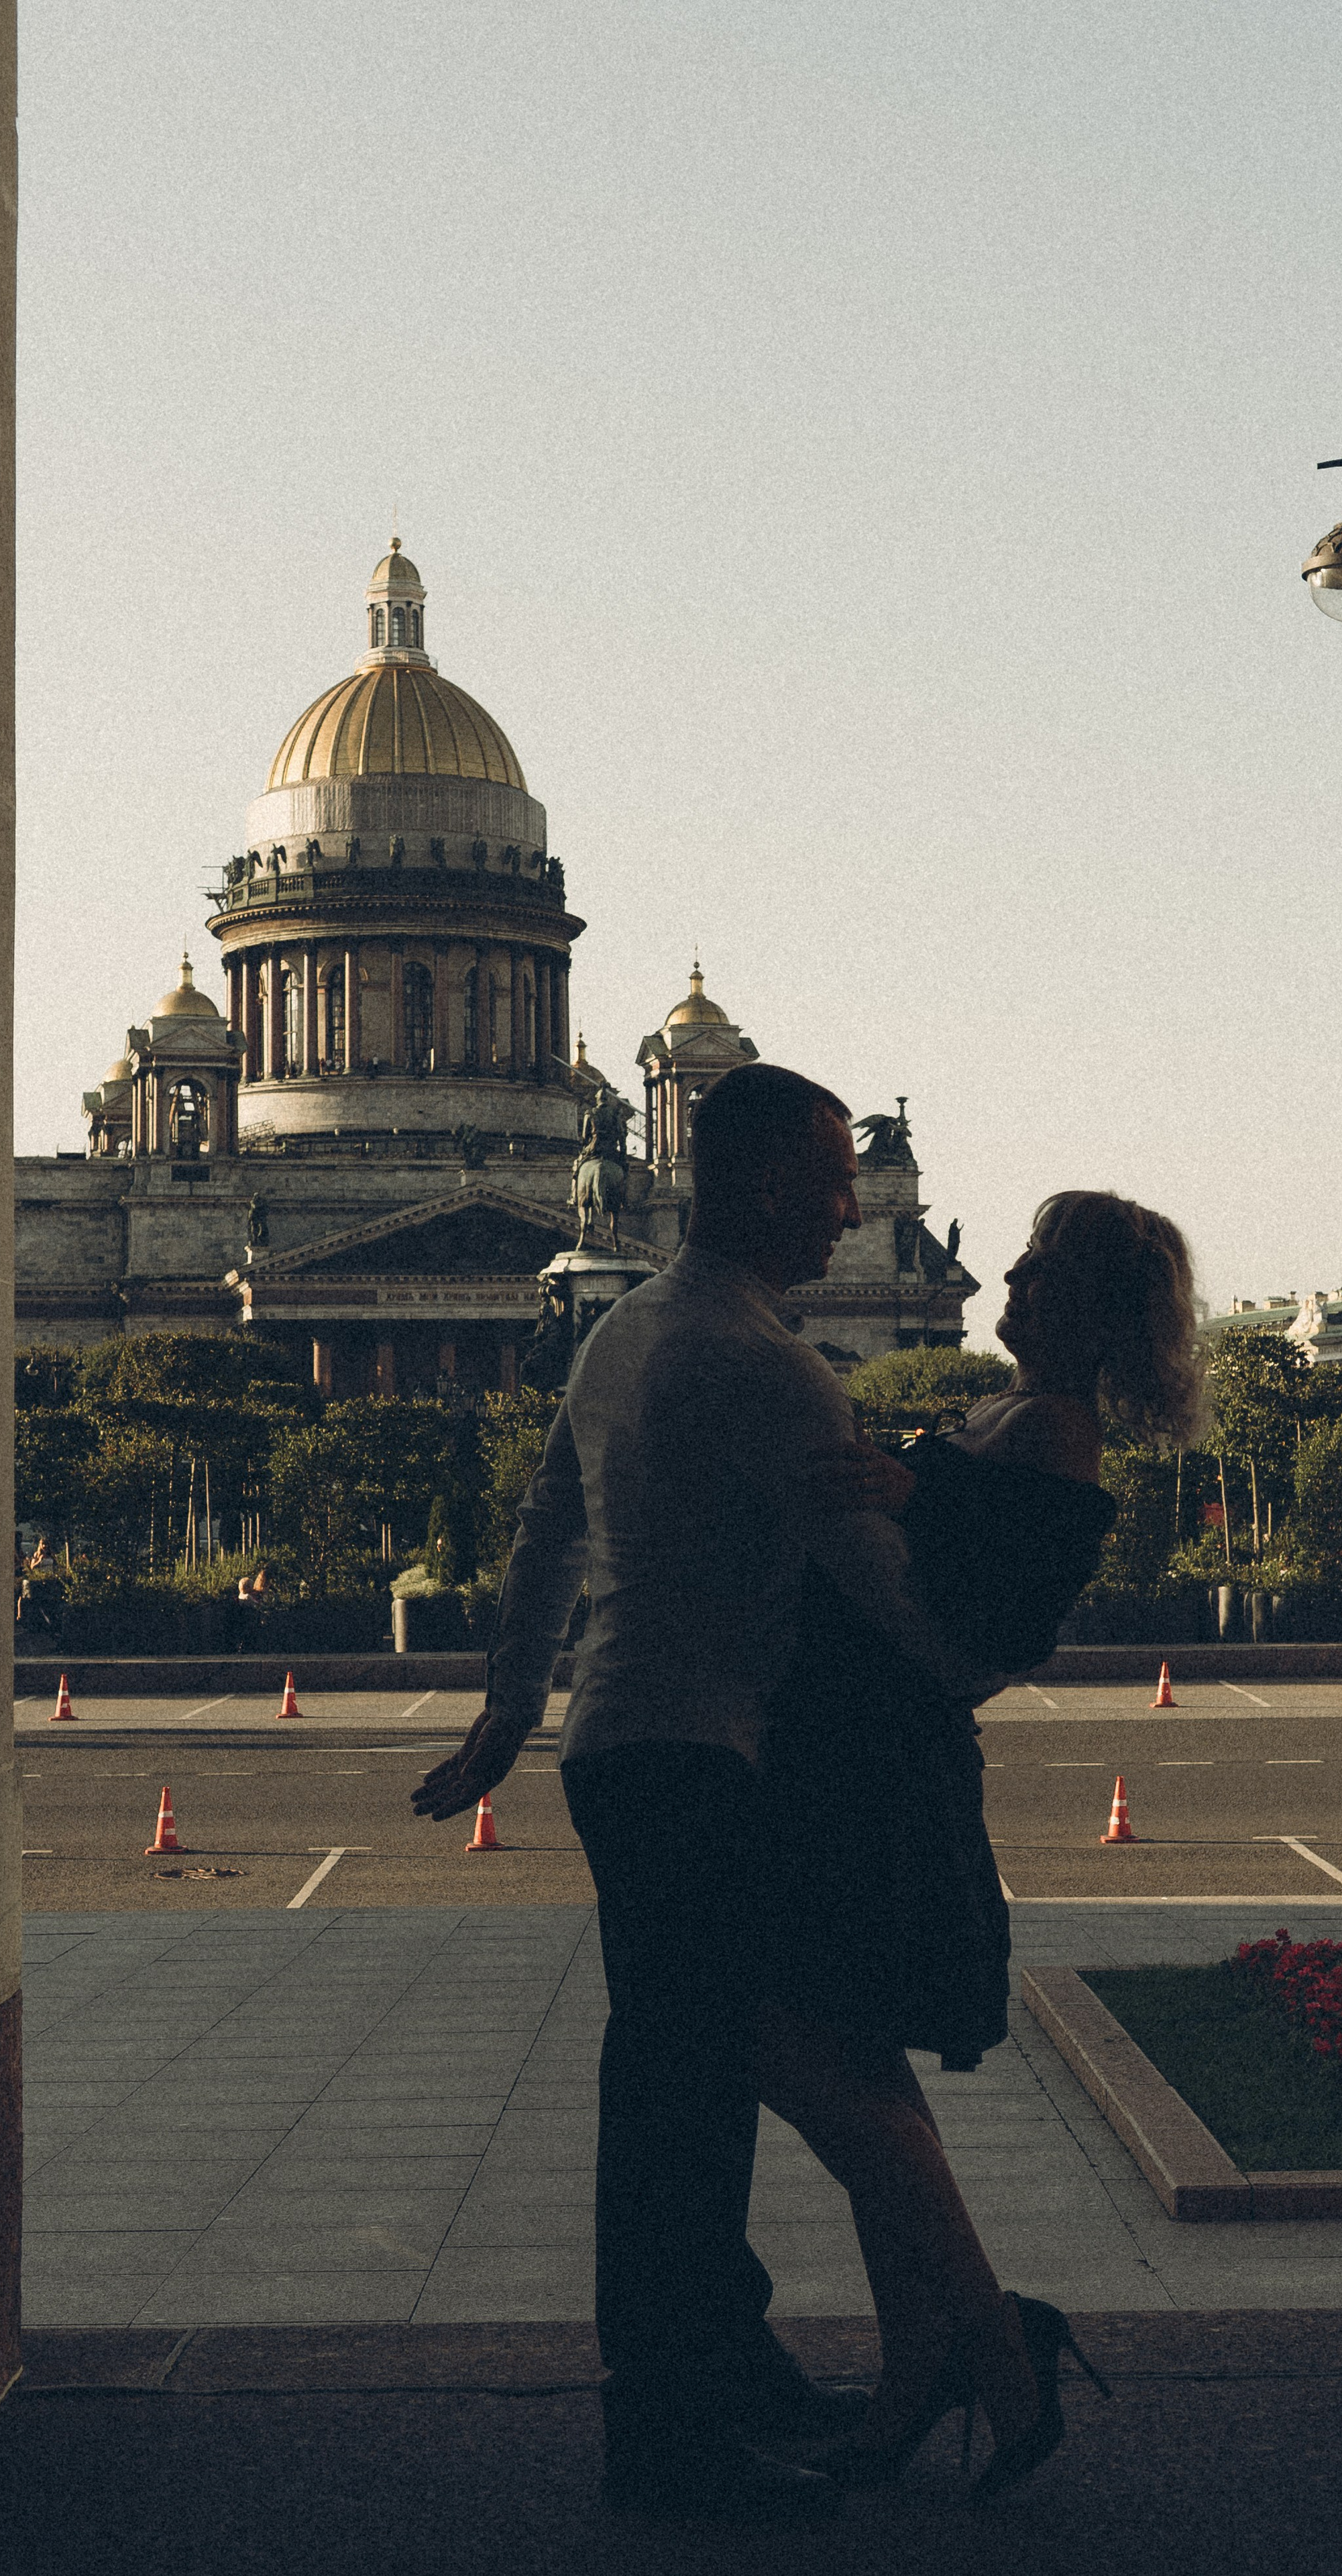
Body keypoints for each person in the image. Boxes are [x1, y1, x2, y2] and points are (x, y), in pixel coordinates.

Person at [412, 1063, 982, 2526]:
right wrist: (984, 1644)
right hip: (697, 1759)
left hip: (627, 1745)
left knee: (687, 2087)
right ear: (747, 1181)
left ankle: (723, 2367)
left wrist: (506, 1707)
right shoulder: (757, 1363)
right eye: (832, 1177)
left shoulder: (626, 1327)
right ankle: (665, 2432)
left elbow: (547, 1527)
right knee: (677, 2116)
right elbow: (885, 1593)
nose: (854, 1208)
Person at [755, 1188, 1203, 2504]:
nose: (1003, 1272)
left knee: (793, 2040)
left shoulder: (1056, 1433)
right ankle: (930, 2376)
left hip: (876, 1778)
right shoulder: (1023, 1419)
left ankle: (991, 2347)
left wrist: (901, 1486)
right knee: (857, 2066)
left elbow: (1001, 1616)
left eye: (1041, 1264)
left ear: (1091, 1308)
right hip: (859, 1762)